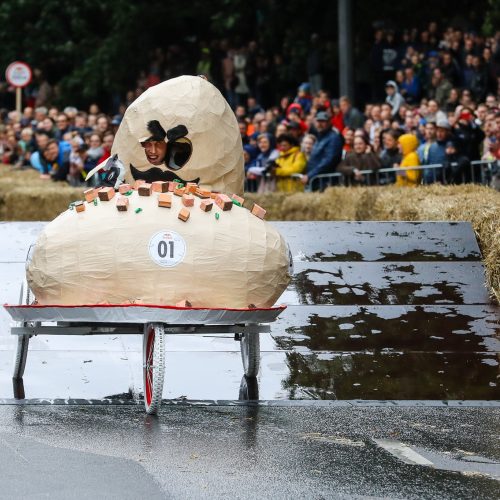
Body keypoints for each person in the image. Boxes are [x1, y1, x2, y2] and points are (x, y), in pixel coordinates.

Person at [301, 111, 344, 187]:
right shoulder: (319, 137)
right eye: (318, 121)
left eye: (323, 121)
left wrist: (311, 175)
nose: (320, 124)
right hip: (316, 180)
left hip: (325, 182)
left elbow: (328, 161)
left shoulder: (334, 138)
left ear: (329, 122)